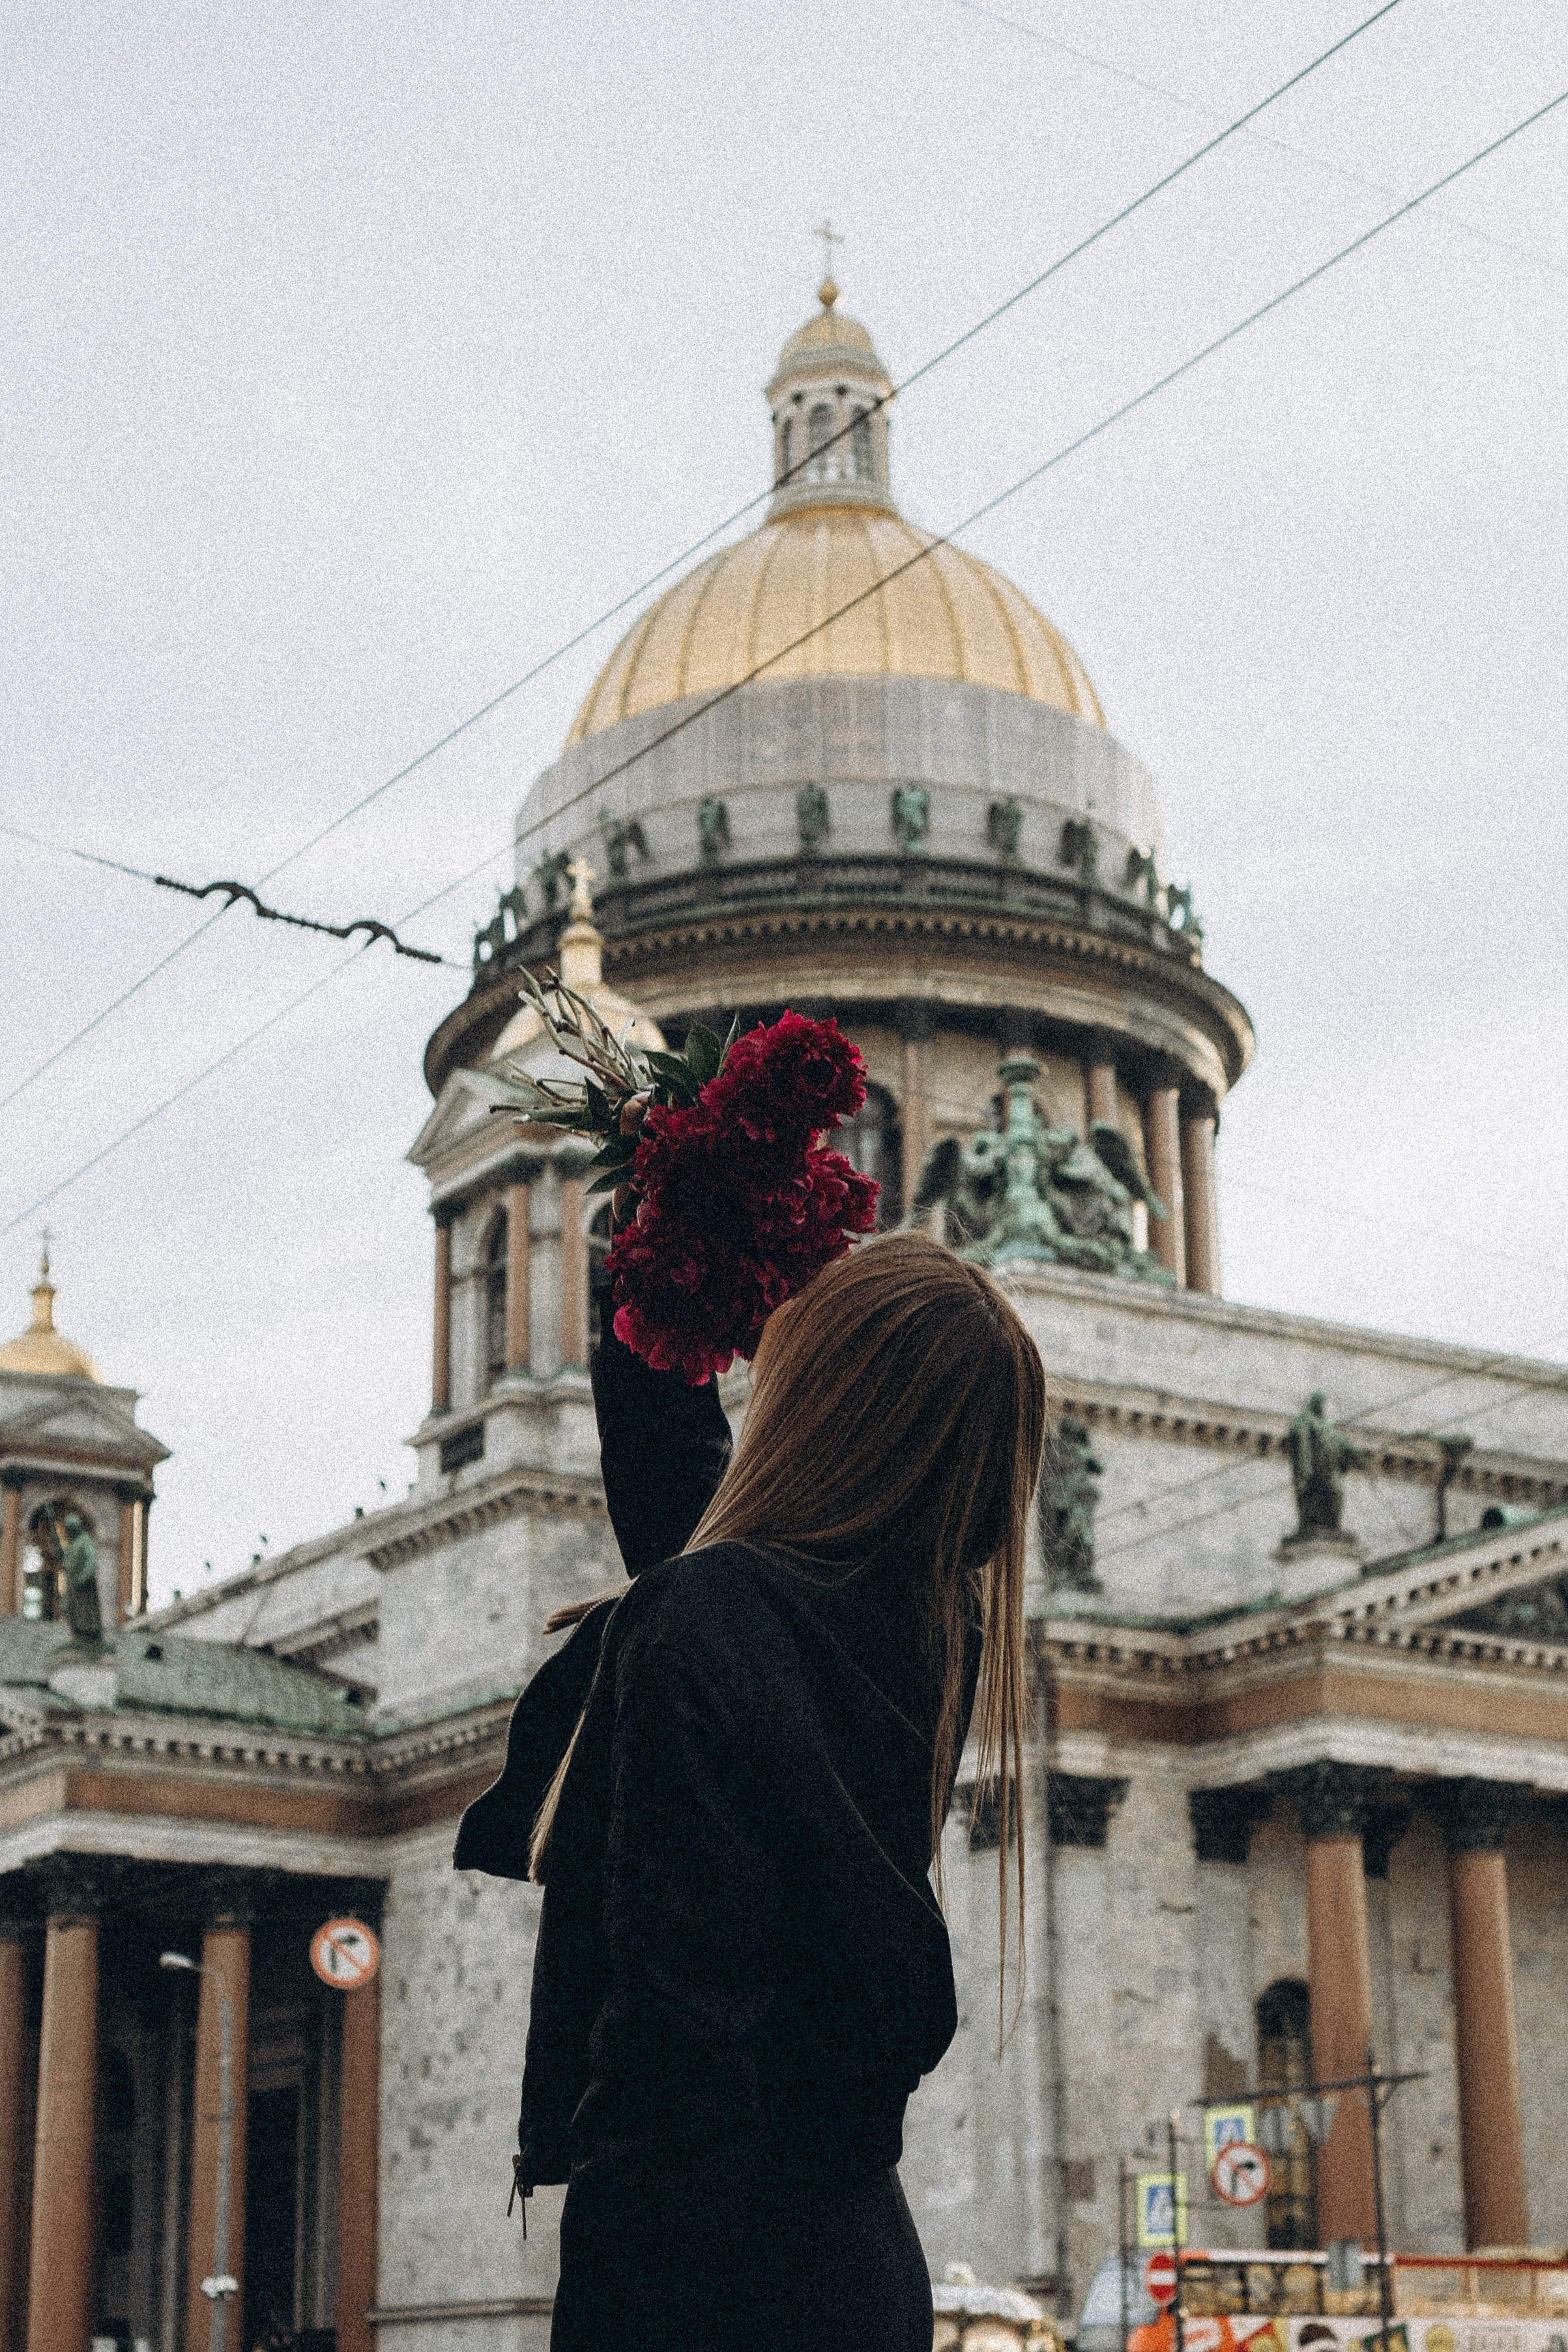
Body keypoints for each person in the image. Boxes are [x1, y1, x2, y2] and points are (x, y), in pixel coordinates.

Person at [455, 1228, 1047, 2352]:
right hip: (852, 2259)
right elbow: (702, 1511)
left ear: (820, 1397)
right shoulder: (933, 1620)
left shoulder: (715, 1615)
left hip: (712, 2266)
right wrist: (658, 1272)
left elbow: (677, 2058)